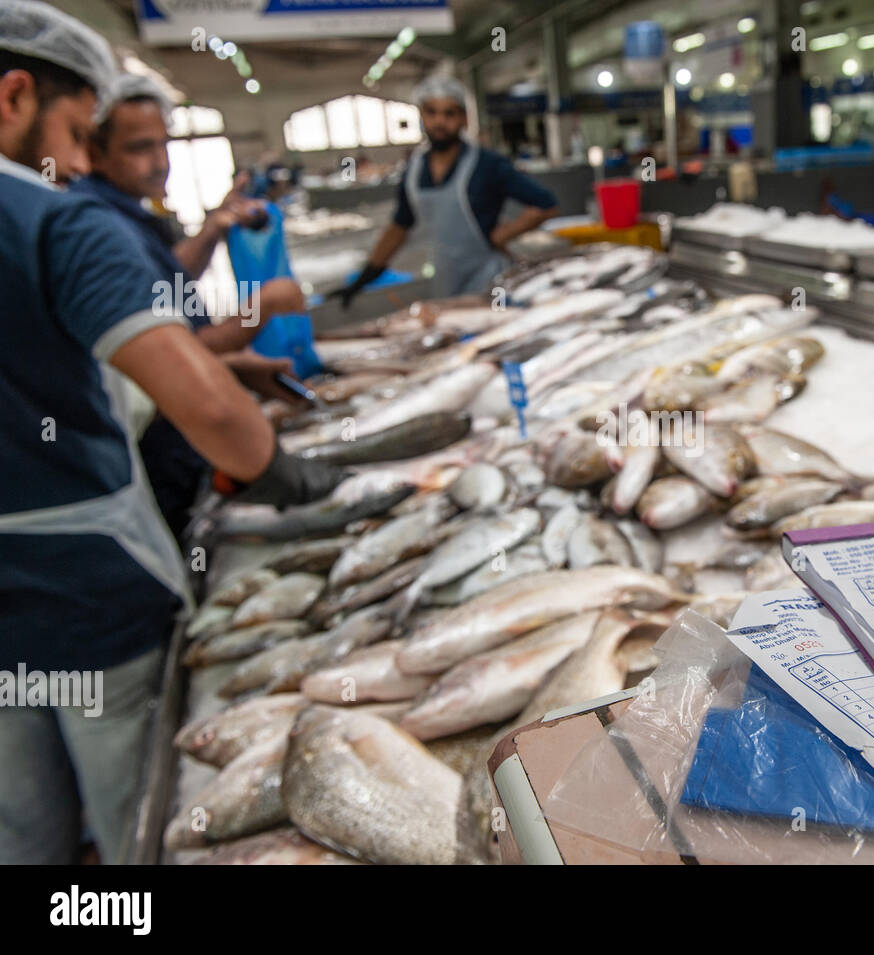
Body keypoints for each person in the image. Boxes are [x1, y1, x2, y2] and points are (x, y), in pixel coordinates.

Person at [0, 1, 344, 865]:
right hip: (83, 594)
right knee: (139, 825)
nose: (78, 162)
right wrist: (279, 472)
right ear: (13, 97)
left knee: (22, 826)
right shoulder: (54, 218)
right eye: (82, 132)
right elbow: (207, 406)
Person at [71, 72, 310, 538]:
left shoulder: (125, 212)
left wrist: (213, 228)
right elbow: (181, 346)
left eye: (164, 146)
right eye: (139, 148)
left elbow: (164, 290)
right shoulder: (98, 227)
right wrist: (259, 308)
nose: (159, 163)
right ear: (93, 151)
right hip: (154, 453)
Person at [331, 75, 559, 304]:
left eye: (449, 113)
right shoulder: (414, 170)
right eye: (431, 112)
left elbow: (546, 205)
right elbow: (399, 227)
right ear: (421, 116)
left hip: (492, 284)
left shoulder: (488, 164)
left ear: (464, 119)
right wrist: (366, 277)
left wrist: (502, 235)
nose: (440, 122)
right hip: (447, 282)